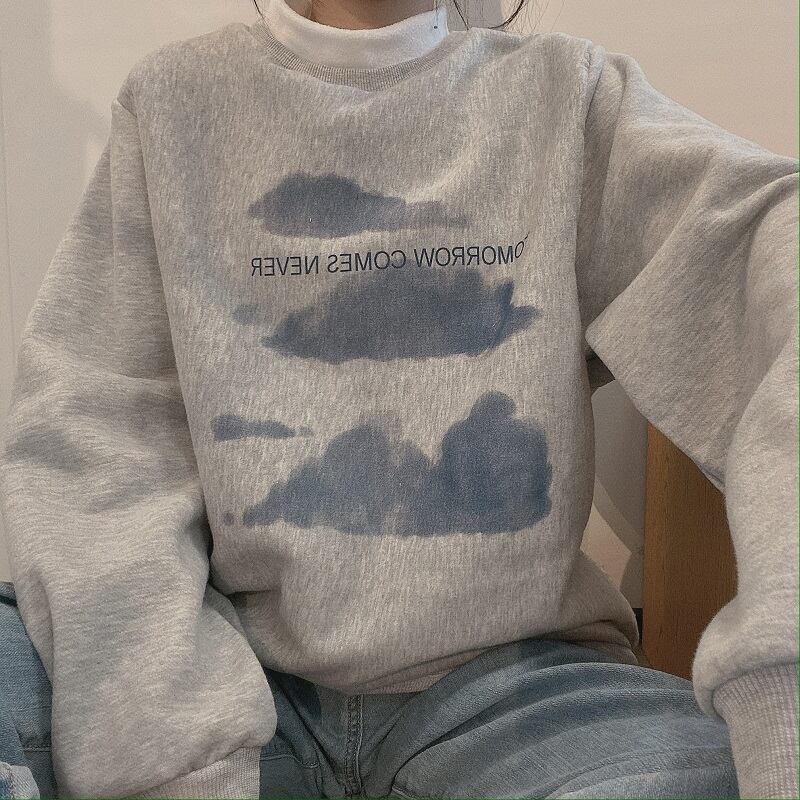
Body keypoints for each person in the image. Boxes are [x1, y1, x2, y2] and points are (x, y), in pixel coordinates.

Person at [0, 0, 797, 797]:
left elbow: (767, 246)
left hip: (523, 690)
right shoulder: (172, 101)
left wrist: (781, 692)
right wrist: (173, 749)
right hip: (240, 670)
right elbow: (98, 437)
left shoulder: (568, 97)